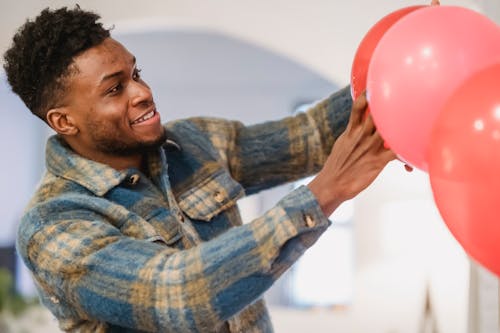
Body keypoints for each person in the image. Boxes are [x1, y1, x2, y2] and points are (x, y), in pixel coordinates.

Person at [3, 6, 400, 333]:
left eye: (135, 74)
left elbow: (308, 136)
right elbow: (177, 294)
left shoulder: (193, 143)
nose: (143, 93)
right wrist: (324, 194)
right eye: (114, 89)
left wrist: (395, 66)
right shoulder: (52, 224)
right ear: (63, 121)